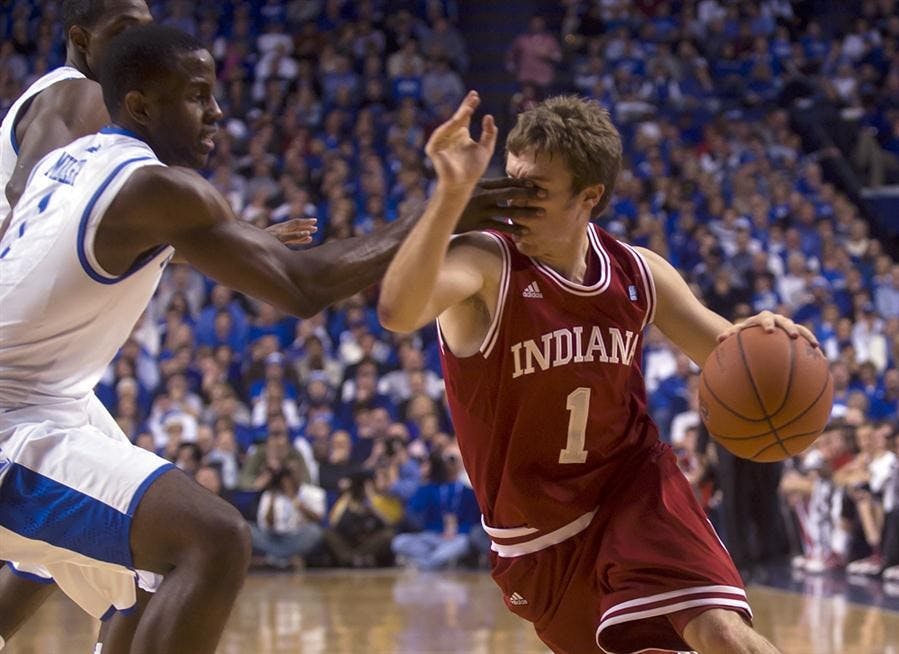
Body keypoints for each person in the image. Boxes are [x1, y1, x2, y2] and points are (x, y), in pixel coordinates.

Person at [0, 25, 541, 654]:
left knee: (152, 571)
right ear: (142, 105)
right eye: (198, 96)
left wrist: (242, 235)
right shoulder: (158, 189)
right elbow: (303, 288)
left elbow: (104, 244)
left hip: (48, 398)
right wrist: (443, 209)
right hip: (15, 412)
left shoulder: (72, 162)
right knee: (213, 539)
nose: (218, 112)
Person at [378, 94, 819, 653]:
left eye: (535, 188)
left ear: (590, 196)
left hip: (633, 488)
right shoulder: (486, 266)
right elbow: (395, 312)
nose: (514, 200)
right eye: (511, 180)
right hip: (537, 537)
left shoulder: (638, 271)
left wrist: (762, 337)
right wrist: (449, 196)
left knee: (723, 634)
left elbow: (725, 350)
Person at [0, 0, 314, 247]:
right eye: (124, 30)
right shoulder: (80, 92)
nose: (141, 46)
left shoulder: (100, 104)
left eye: (146, 31)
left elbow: (141, 236)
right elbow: (26, 196)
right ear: (81, 40)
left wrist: (238, 239)